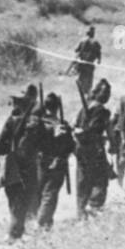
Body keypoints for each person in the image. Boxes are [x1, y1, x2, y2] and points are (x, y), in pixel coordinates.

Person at [0, 89, 40, 238]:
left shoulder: (11, 121)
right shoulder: (36, 121)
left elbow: (1, 145)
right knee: (25, 196)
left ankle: (15, 229)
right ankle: (18, 228)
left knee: (14, 196)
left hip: (13, 163)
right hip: (30, 164)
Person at [34, 94, 74, 230]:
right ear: (57, 107)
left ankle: (45, 222)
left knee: (41, 192)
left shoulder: (38, 123)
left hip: (40, 161)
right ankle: (41, 222)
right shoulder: (63, 124)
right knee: (50, 193)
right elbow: (71, 146)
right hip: (57, 162)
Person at [73, 80, 111, 218]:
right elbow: (94, 130)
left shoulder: (86, 107)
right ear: (97, 92)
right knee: (100, 178)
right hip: (93, 148)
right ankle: (93, 208)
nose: (107, 95)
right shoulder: (101, 110)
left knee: (83, 180)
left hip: (81, 148)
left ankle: (81, 211)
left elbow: (76, 125)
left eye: (108, 92)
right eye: (105, 92)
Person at [72, 26, 102, 97]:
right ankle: (87, 92)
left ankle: (81, 92)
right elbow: (99, 53)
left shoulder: (82, 41)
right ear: (93, 34)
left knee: (82, 78)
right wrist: (99, 60)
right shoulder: (96, 42)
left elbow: (76, 50)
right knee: (89, 79)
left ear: (87, 33)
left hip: (82, 63)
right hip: (90, 64)